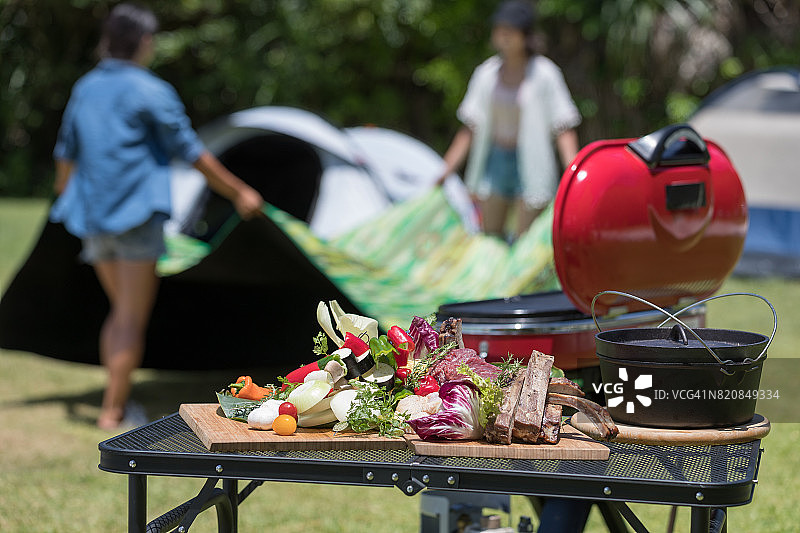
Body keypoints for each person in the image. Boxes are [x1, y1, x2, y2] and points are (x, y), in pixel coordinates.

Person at [51, 3, 265, 430]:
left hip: (93, 219)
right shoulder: (151, 90)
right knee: (129, 318)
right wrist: (239, 190)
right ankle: (113, 411)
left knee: (119, 313)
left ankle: (113, 401)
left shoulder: (85, 87)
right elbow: (193, 153)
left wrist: (66, 195)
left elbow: (65, 156)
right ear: (145, 42)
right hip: (136, 219)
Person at [438, 0, 581, 240]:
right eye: (499, 29)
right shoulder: (486, 74)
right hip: (496, 161)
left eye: (510, 30)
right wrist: (446, 170)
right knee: (489, 237)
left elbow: (563, 126)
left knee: (527, 240)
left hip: (532, 164)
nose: (503, 36)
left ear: (525, 35)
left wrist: (574, 172)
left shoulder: (545, 74)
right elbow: (469, 127)